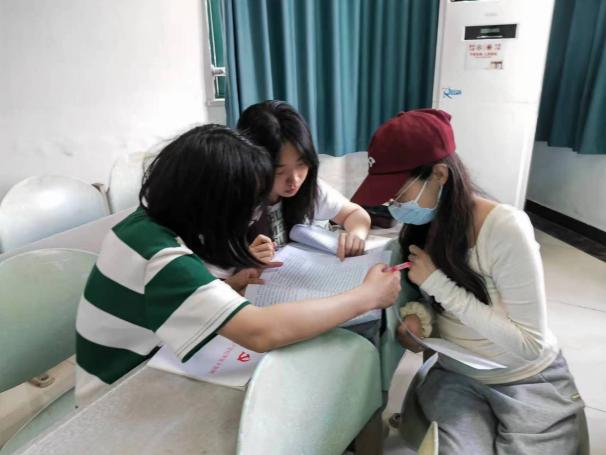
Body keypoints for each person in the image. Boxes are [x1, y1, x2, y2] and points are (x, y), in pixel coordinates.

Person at [75, 124, 400, 406]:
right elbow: (260, 331)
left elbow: (172, 298)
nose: (254, 214)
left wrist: (229, 286)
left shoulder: (145, 222)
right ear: (212, 204)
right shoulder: (163, 257)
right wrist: (366, 297)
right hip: (118, 396)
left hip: (156, 362)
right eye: (249, 205)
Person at [351, 109, 585, 454]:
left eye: (398, 194)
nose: (394, 205)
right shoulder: (421, 227)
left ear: (439, 175)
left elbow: (529, 344)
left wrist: (438, 284)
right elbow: (434, 304)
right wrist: (417, 322)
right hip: (457, 376)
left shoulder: (505, 228)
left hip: (527, 377)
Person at [237, 100, 371, 262]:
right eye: (280, 171)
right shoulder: (235, 200)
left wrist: (356, 236)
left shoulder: (309, 188)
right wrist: (245, 261)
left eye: (301, 164)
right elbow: (218, 270)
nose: (294, 180)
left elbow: (355, 214)